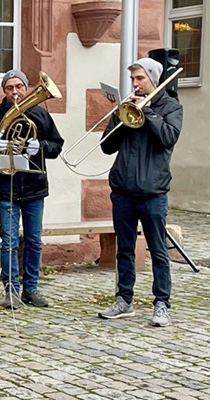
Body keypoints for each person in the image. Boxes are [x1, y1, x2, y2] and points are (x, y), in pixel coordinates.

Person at [97, 58, 182, 327]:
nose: (134, 83)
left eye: (140, 79)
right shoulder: (127, 106)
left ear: (153, 80)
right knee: (124, 249)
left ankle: (161, 304)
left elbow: (168, 137)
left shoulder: (171, 107)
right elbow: (106, 147)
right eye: (132, 79)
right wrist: (121, 116)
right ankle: (124, 300)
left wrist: (148, 114)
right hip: (123, 189)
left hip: (153, 191)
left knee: (157, 250)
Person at [0, 70, 64, 310]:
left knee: (34, 240)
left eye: (19, 87)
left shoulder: (40, 115)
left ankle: (31, 288)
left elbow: (56, 146)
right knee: (9, 241)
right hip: (5, 187)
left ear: (26, 88)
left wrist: (40, 146)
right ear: (4, 91)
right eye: (10, 87)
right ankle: (10, 288)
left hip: (34, 187)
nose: (15, 92)